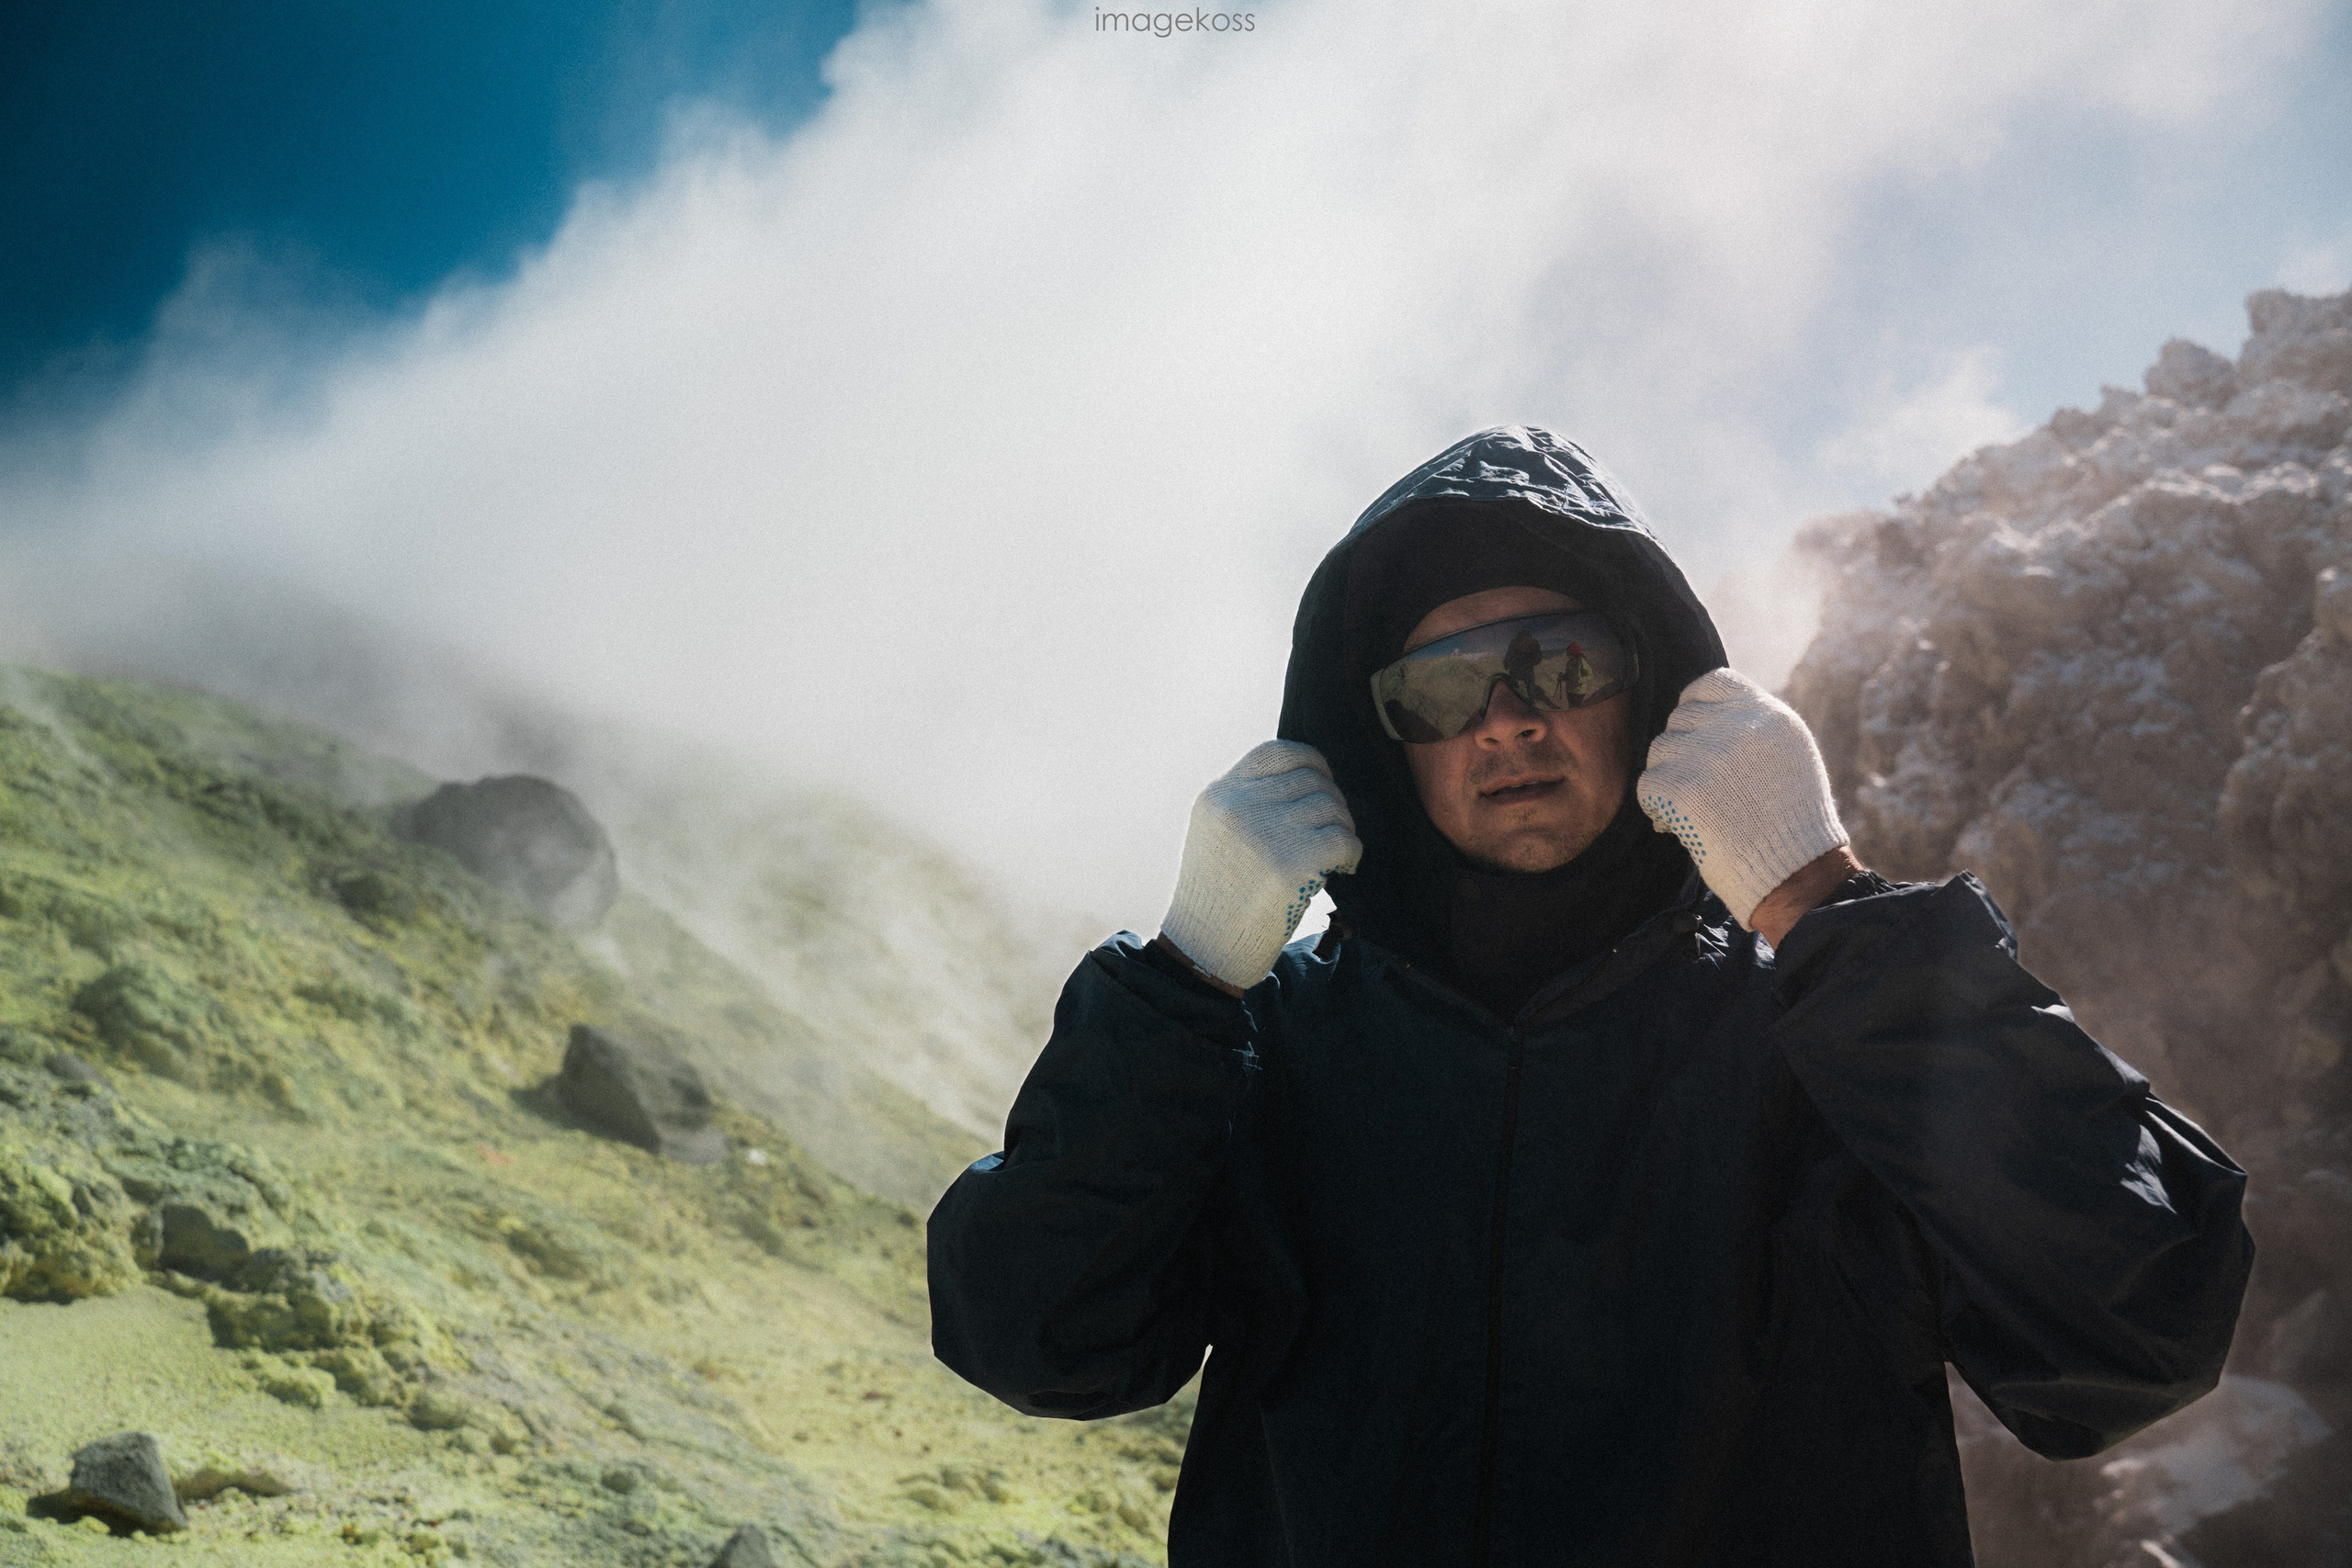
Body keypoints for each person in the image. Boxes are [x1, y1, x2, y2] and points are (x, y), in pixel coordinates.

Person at [927, 426, 2253, 1566]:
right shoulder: (1270, 1054)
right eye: (1442, 687)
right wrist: (1181, 978)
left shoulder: (1819, 1047)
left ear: (1649, 696)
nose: (1505, 719)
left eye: (1556, 663)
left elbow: (2137, 1332)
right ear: (1375, 737)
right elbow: (1032, 1338)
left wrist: (1826, 905)